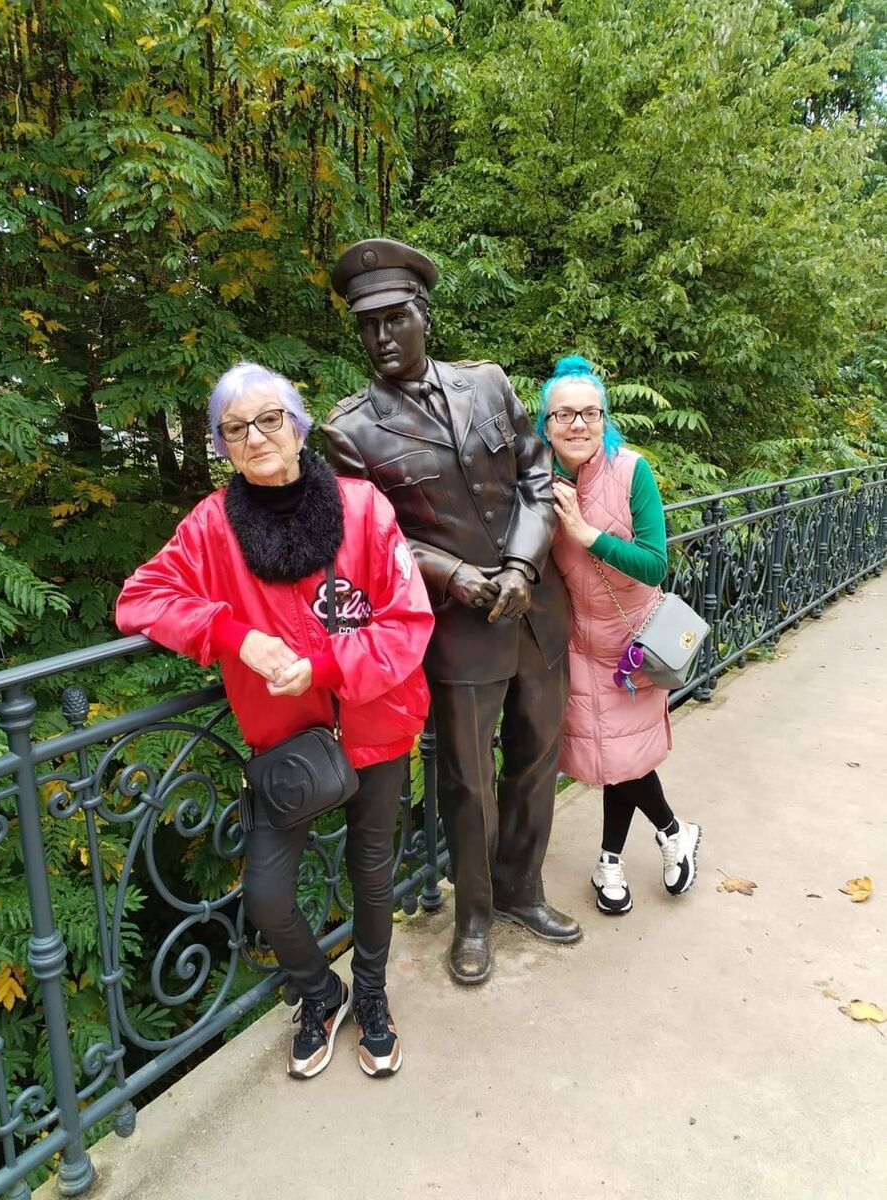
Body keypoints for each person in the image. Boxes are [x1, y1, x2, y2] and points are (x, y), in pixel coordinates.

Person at [116, 362, 434, 1079]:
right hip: (288, 746)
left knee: (372, 875)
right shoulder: (210, 528)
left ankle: (376, 999)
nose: (254, 437)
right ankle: (324, 994)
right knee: (267, 895)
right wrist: (232, 636)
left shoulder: (363, 508)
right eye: (235, 428)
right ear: (222, 444)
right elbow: (140, 600)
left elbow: (409, 623)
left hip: (377, 722)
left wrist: (322, 667)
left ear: (298, 424)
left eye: (268, 420)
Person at [322, 238, 580, 985]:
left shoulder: (487, 383)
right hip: (459, 629)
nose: (380, 337)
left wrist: (522, 566)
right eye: (367, 326)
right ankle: (472, 917)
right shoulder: (351, 431)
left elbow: (536, 475)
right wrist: (461, 576)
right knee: (468, 780)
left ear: (422, 314)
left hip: (535, 609)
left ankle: (520, 890)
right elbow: (374, 539)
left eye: (394, 318)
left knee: (537, 761)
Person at [538, 355, 701, 914]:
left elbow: (656, 565)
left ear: (604, 419)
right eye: (564, 415)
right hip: (579, 646)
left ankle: (623, 855)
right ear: (546, 425)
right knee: (611, 758)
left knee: (625, 759)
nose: (577, 424)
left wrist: (586, 533)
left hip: (635, 643)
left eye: (589, 413)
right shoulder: (540, 484)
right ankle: (671, 835)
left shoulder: (633, 472)